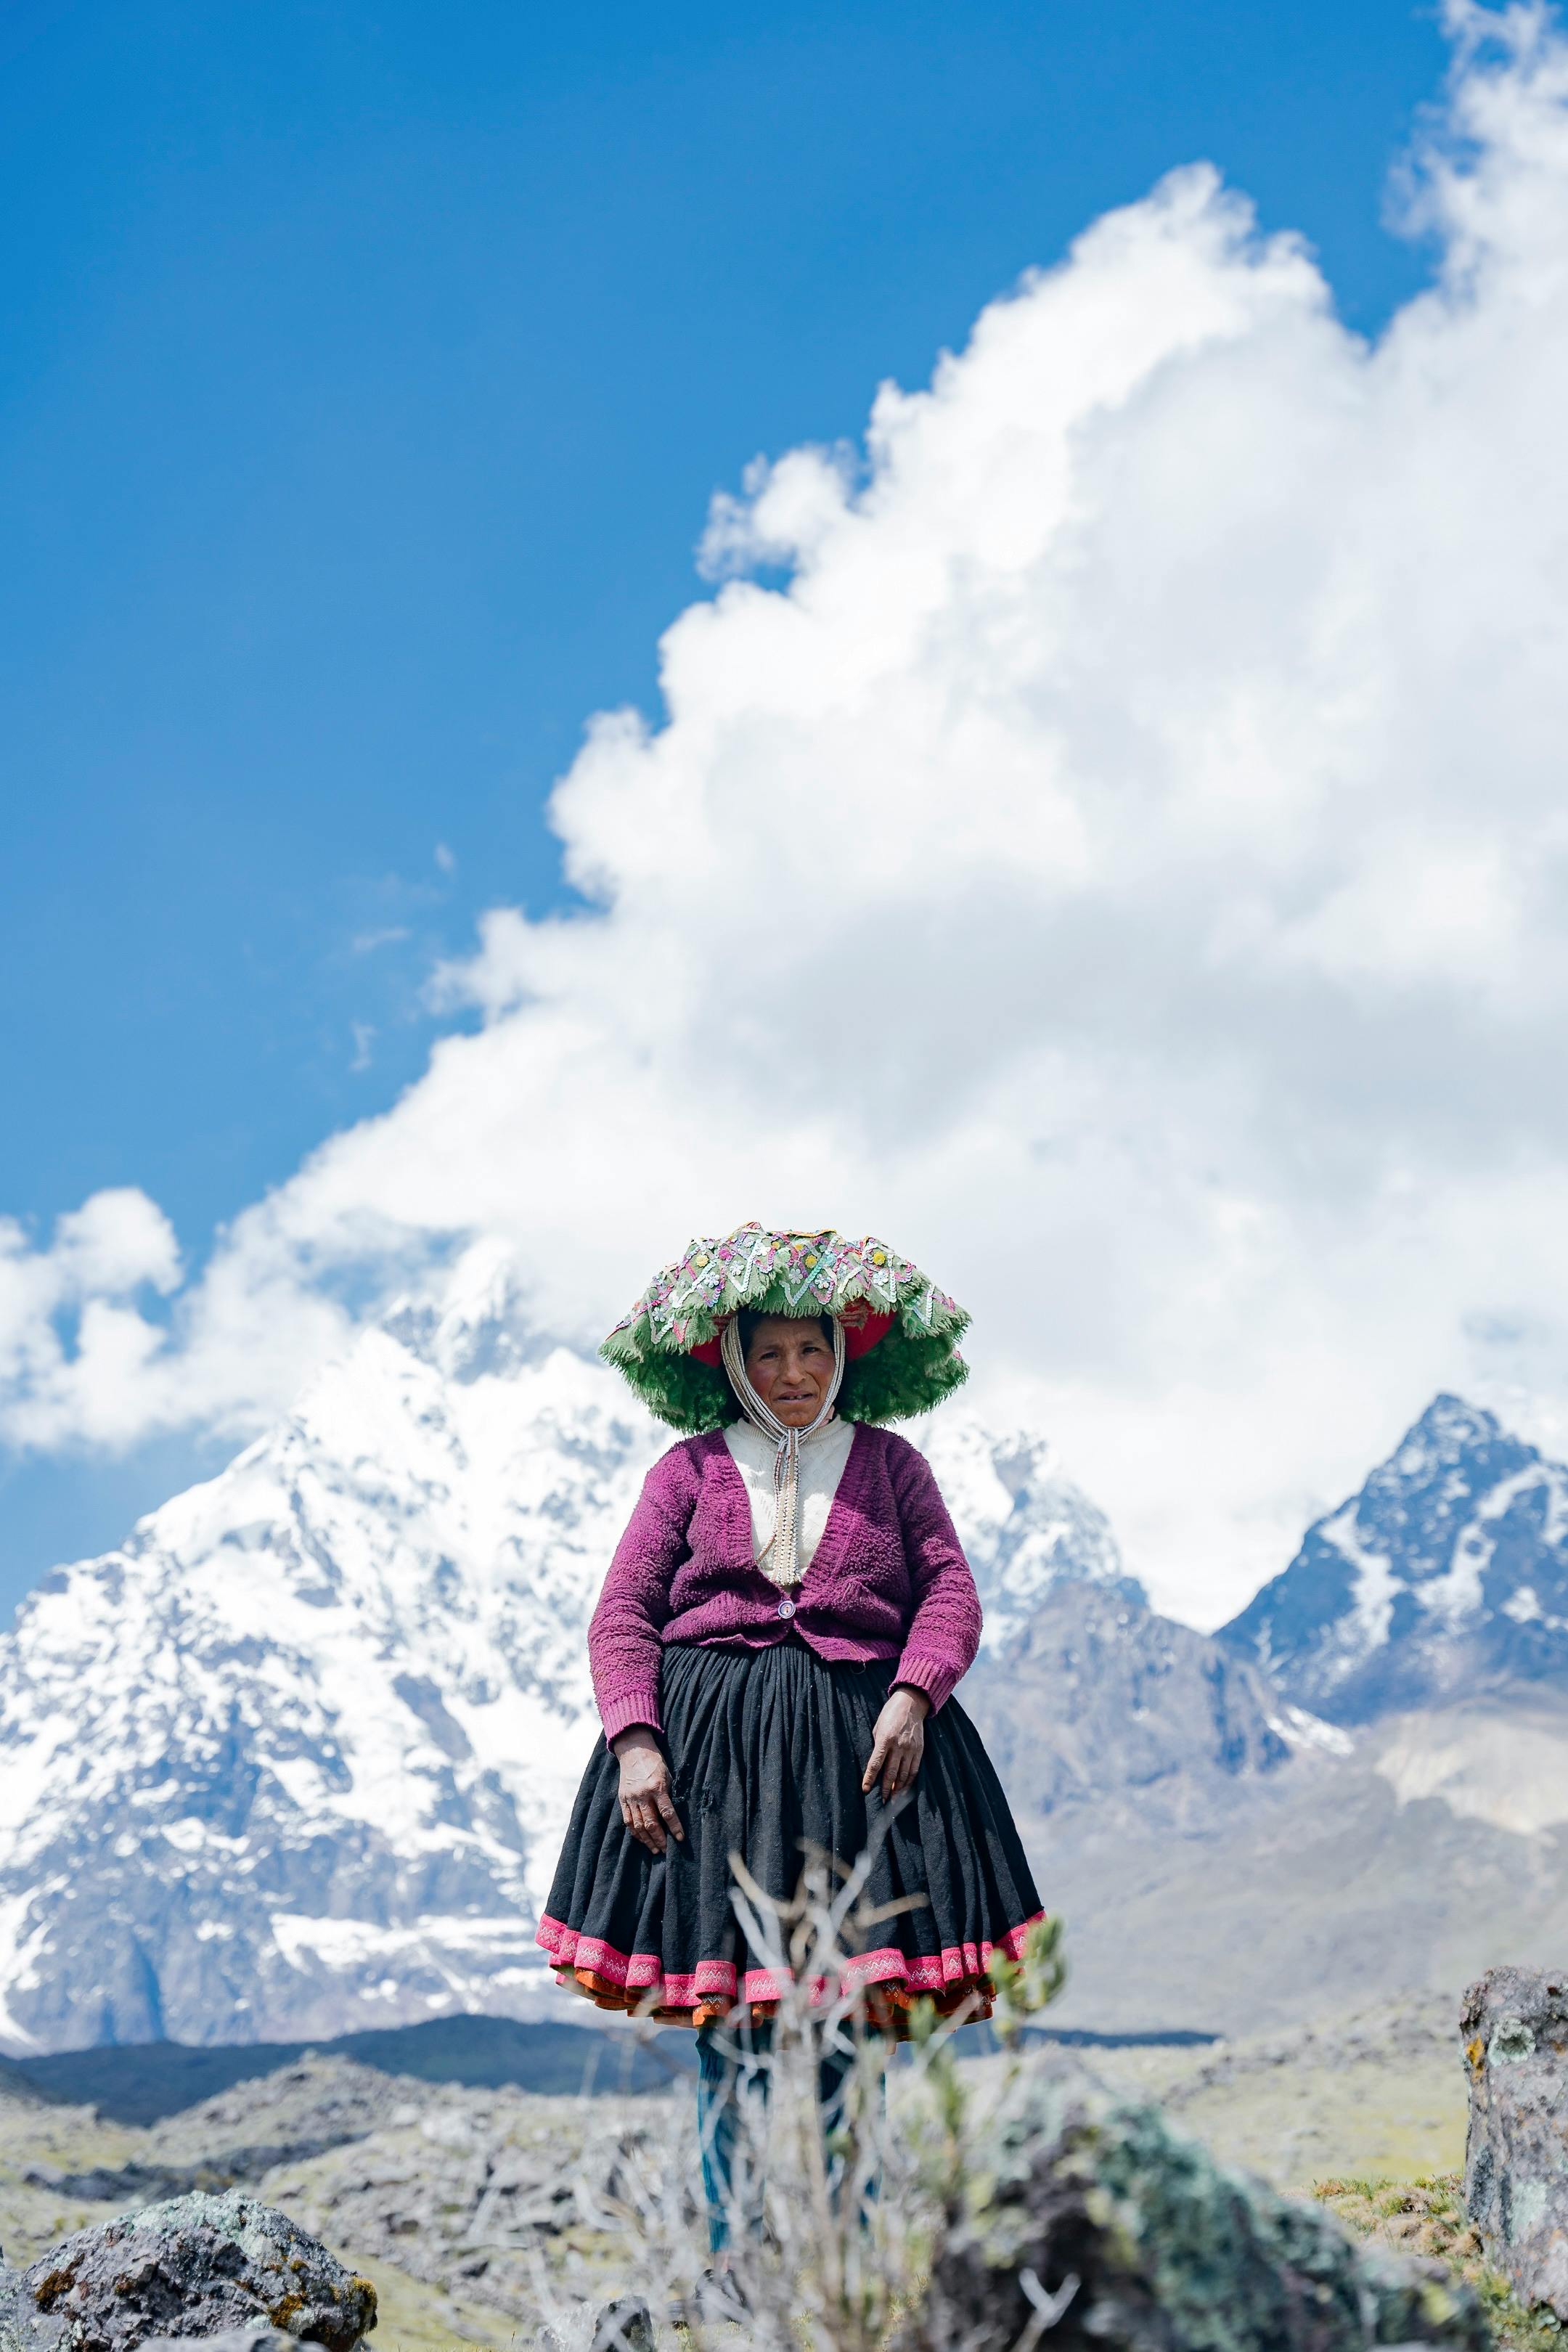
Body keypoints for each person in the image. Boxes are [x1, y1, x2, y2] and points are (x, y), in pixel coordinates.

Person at [537, 1224, 1043, 2253]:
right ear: (732, 1363)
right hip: (710, 1769)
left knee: (855, 2020)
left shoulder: (894, 1468)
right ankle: (734, 2258)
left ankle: (846, 2256)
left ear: (844, 1351)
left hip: (868, 1765)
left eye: (812, 1349)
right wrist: (638, 1741)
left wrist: (915, 1694)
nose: (795, 1371)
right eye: (769, 1353)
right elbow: (623, 1615)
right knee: (730, 2022)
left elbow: (950, 1592)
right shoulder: (685, 1474)